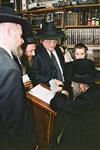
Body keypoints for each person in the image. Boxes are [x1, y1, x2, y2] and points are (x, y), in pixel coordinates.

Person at [0, 6, 37, 150]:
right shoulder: (9, 67)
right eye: (21, 36)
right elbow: (15, 121)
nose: (22, 41)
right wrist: (29, 143)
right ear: (11, 31)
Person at [50, 59, 100, 150]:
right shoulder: (95, 90)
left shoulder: (87, 101)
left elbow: (56, 104)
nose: (72, 86)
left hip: (87, 142)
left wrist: (63, 93)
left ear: (81, 85)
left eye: (73, 83)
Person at [28, 21, 65, 91]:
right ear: (42, 40)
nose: (52, 45)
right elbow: (34, 75)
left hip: (63, 87)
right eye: (49, 41)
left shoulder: (58, 49)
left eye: (55, 41)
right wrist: (51, 81)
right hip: (48, 89)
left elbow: (62, 68)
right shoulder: (36, 53)